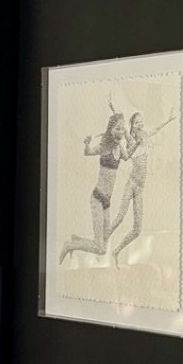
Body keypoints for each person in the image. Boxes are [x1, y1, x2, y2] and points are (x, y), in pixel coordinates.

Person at [109, 108, 175, 266]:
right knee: (120, 217)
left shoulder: (144, 136)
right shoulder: (130, 139)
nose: (140, 124)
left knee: (137, 230)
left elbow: (155, 129)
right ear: (132, 125)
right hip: (131, 184)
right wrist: (112, 108)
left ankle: (116, 250)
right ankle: (102, 240)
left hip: (140, 188)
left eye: (141, 122)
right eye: (137, 122)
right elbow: (122, 124)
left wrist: (168, 120)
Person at [59, 111, 127, 263]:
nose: (120, 132)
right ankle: (69, 245)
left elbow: (127, 156)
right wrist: (87, 144)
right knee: (98, 246)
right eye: (117, 128)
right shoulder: (104, 147)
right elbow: (88, 153)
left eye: (123, 129)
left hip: (107, 203)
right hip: (97, 199)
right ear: (110, 130)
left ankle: (75, 240)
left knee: (102, 249)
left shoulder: (120, 148)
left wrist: (129, 135)